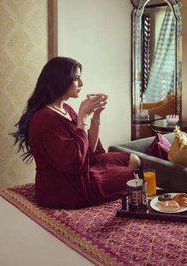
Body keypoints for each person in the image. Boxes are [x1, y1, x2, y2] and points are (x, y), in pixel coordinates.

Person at [11, 57, 140, 209]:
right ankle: (103, 180)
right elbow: (75, 162)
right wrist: (83, 117)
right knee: (132, 178)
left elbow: (89, 149)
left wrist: (96, 114)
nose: (81, 83)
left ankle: (104, 175)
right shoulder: (44, 118)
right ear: (61, 80)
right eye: (76, 78)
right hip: (65, 187)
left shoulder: (66, 109)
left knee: (134, 160)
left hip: (83, 165)